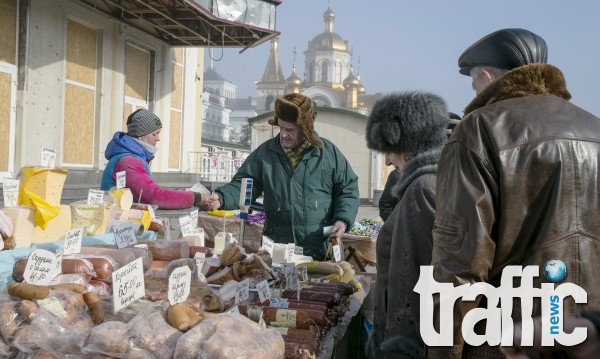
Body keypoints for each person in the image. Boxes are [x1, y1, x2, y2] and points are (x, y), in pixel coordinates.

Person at [429, 28, 600, 358]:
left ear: (490, 76)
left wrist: (444, 352)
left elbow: (459, 262)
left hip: (512, 338)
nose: (474, 93)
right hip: (585, 338)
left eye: (475, 83)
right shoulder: (594, 128)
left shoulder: (480, 128)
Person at [207, 93, 359, 260]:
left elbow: (347, 190)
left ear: (305, 129)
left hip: (320, 250)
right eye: (281, 128)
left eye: (290, 130)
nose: (283, 134)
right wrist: (221, 198)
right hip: (277, 250)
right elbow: (243, 185)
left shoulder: (328, 154)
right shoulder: (265, 154)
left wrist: (342, 220)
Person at [365, 91, 451, 358]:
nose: (388, 160)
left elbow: (413, 280)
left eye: (389, 150)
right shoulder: (428, 182)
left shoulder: (422, 189)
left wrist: (399, 347)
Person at [101, 109, 209, 210]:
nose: (158, 138)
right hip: (117, 222)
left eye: (158, 133)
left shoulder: (132, 157)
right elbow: (154, 196)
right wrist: (196, 198)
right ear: (139, 134)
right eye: (154, 134)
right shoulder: (128, 161)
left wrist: (181, 193)